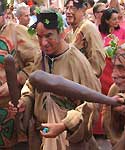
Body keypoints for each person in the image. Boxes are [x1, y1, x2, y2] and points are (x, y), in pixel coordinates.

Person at [14, 8, 102, 150]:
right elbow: (31, 85)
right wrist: (25, 101)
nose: (43, 43)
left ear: (62, 33)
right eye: (39, 36)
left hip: (69, 141)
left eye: (49, 36)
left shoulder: (78, 62)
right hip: (41, 136)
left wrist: (64, 125)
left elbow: (92, 104)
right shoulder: (40, 58)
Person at [0, 0, 40, 149]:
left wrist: (14, 81)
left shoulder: (17, 31)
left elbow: (36, 62)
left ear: (5, 14)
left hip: (13, 107)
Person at [65, 0, 105, 78]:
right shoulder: (70, 33)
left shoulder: (88, 28)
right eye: (67, 8)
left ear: (83, 10)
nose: (68, 12)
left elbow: (97, 62)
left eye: (73, 8)